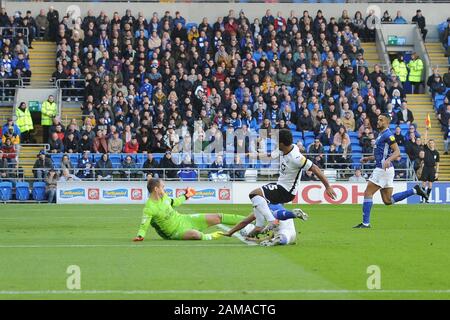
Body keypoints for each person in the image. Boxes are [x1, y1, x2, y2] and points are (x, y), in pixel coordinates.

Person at [248, 129, 337, 232]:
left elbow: (315, 168)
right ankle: (271, 230)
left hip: (286, 190)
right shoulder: (284, 149)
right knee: (266, 207)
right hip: (280, 185)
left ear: (281, 143)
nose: (275, 143)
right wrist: (251, 155)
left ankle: (270, 223)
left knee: (255, 194)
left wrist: (328, 186)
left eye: (277, 141)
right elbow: (268, 156)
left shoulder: (296, 157)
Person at [354, 114, 428, 228]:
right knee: (388, 200)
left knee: (368, 193)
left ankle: (365, 223)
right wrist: (368, 158)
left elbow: (397, 152)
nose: (378, 121)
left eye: (381, 120)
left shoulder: (388, 135)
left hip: (382, 169)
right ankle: (414, 190)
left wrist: (388, 160)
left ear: (387, 122)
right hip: (387, 169)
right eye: (378, 119)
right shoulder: (381, 134)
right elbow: (381, 153)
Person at [132, 178, 243, 241]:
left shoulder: (164, 197)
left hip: (184, 219)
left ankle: (252, 220)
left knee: (218, 217)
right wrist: (140, 236)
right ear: (156, 189)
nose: (164, 188)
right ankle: (209, 237)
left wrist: (186, 195)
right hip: (174, 233)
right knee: (195, 234)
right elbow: (144, 225)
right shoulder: (149, 208)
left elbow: (174, 202)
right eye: (162, 187)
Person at [222, 203, 309, 247]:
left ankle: (292, 215)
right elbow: (269, 237)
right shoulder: (271, 204)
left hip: (282, 227)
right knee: (282, 236)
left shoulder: (259, 210)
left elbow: (247, 223)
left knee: (283, 236)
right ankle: (292, 214)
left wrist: (251, 236)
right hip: (285, 224)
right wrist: (254, 239)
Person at [419, 128, 440, 203]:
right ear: (428, 144)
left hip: (432, 169)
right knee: (424, 184)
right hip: (426, 168)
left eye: (432, 143)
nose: (431, 144)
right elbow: (424, 140)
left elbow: (437, 163)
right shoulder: (426, 149)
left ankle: (427, 198)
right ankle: (422, 199)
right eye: (430, 143)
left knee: (430, 185)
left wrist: (437, 172)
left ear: (434, 144)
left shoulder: (436, 153)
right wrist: (426, 131)